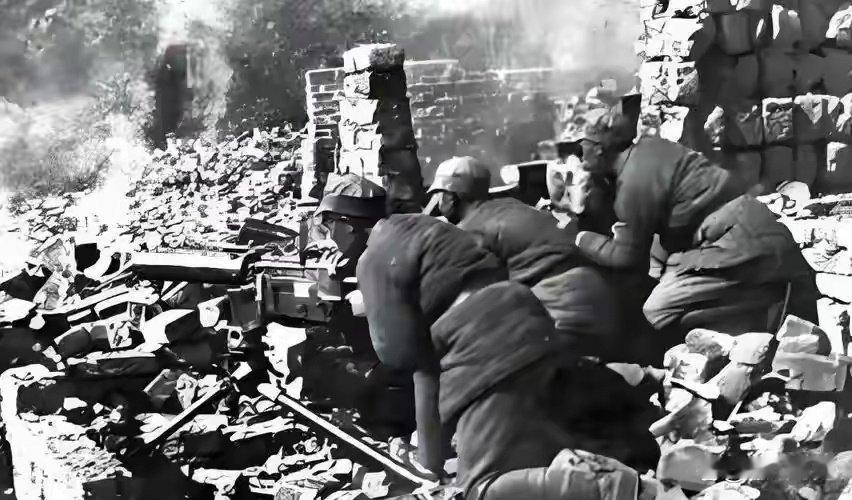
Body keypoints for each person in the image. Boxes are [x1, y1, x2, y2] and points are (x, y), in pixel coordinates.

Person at [356, 214, 659, 498]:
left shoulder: (376, 257)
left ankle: (604, 484)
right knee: (537, 444)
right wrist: (429, 466)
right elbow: (426, 368)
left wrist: (430, 465)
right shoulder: (429, 227)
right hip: (524, 311)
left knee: (479, 488)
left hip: (481, 340)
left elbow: (399, 353)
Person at [569, 108, 818, 336]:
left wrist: (578, 237)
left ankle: (760, 299)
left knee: (657, 311)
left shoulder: (634, 181)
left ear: (600, 148)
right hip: (747, 229)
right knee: (659, 278)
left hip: (739, 245)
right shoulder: (649, 149)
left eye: (581, 147)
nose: (578, 155)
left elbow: (626, 257)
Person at [426, 156, 618, 355]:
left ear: (452, 196)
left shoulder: (471, 230)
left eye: (439, 194)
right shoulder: (509, 205)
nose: (438, 201)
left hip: (561, 301)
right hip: (595, 289)